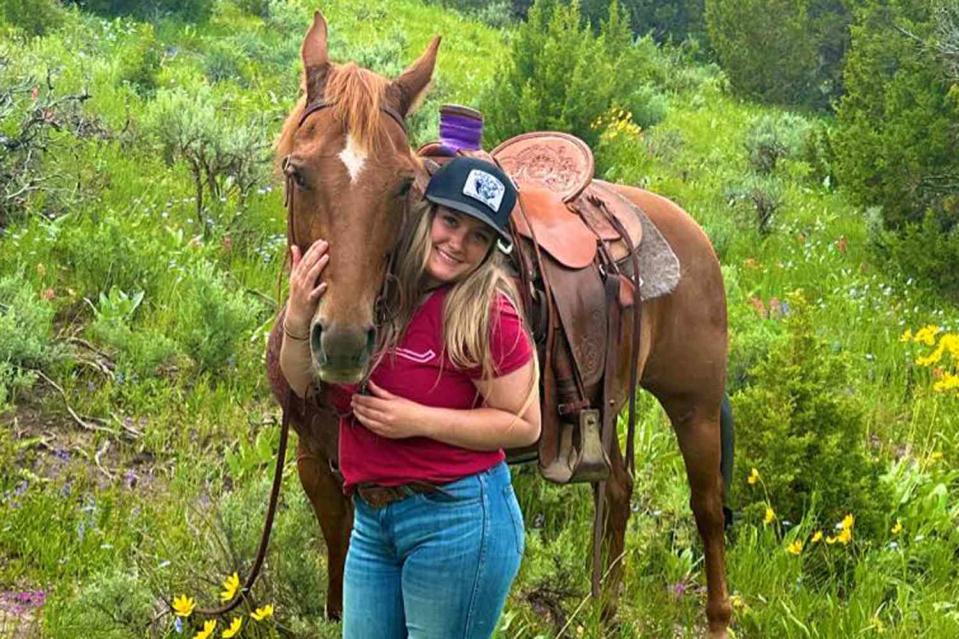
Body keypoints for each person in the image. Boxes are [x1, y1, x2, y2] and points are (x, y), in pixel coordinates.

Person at [279, 156, 541, 639]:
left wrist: (417, 419)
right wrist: (297, 316)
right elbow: (302, 383)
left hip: (457, 519)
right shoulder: (371, 295)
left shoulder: (486, 310)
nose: (457, 243)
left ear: (490, 250)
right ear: (427, 214)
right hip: (373, 523)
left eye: (478, 236)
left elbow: (524, 425)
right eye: (451, 221)